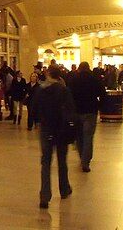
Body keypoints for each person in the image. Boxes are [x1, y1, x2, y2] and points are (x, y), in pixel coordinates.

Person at [31, 65, 75, 209]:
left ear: (48, 74)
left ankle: (44, 195)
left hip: (46, 129)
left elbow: (34, 108)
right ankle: (64, 189)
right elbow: (70, 110)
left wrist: (37, 122)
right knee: (62, 161)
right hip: (61, 130)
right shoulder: (64, 91)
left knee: (46, 163)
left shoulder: (41, 90)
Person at [68, 61, 106, 172]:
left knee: (79, 136)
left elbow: (68, 95)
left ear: (79, 68)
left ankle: (82, 157)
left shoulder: (73, 80)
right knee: (88, 137)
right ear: (88, 68)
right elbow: (103, 94)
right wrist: (98, 106)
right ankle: (86, 161)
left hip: (77, 111)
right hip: (90, 111)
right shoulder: (94, 79)